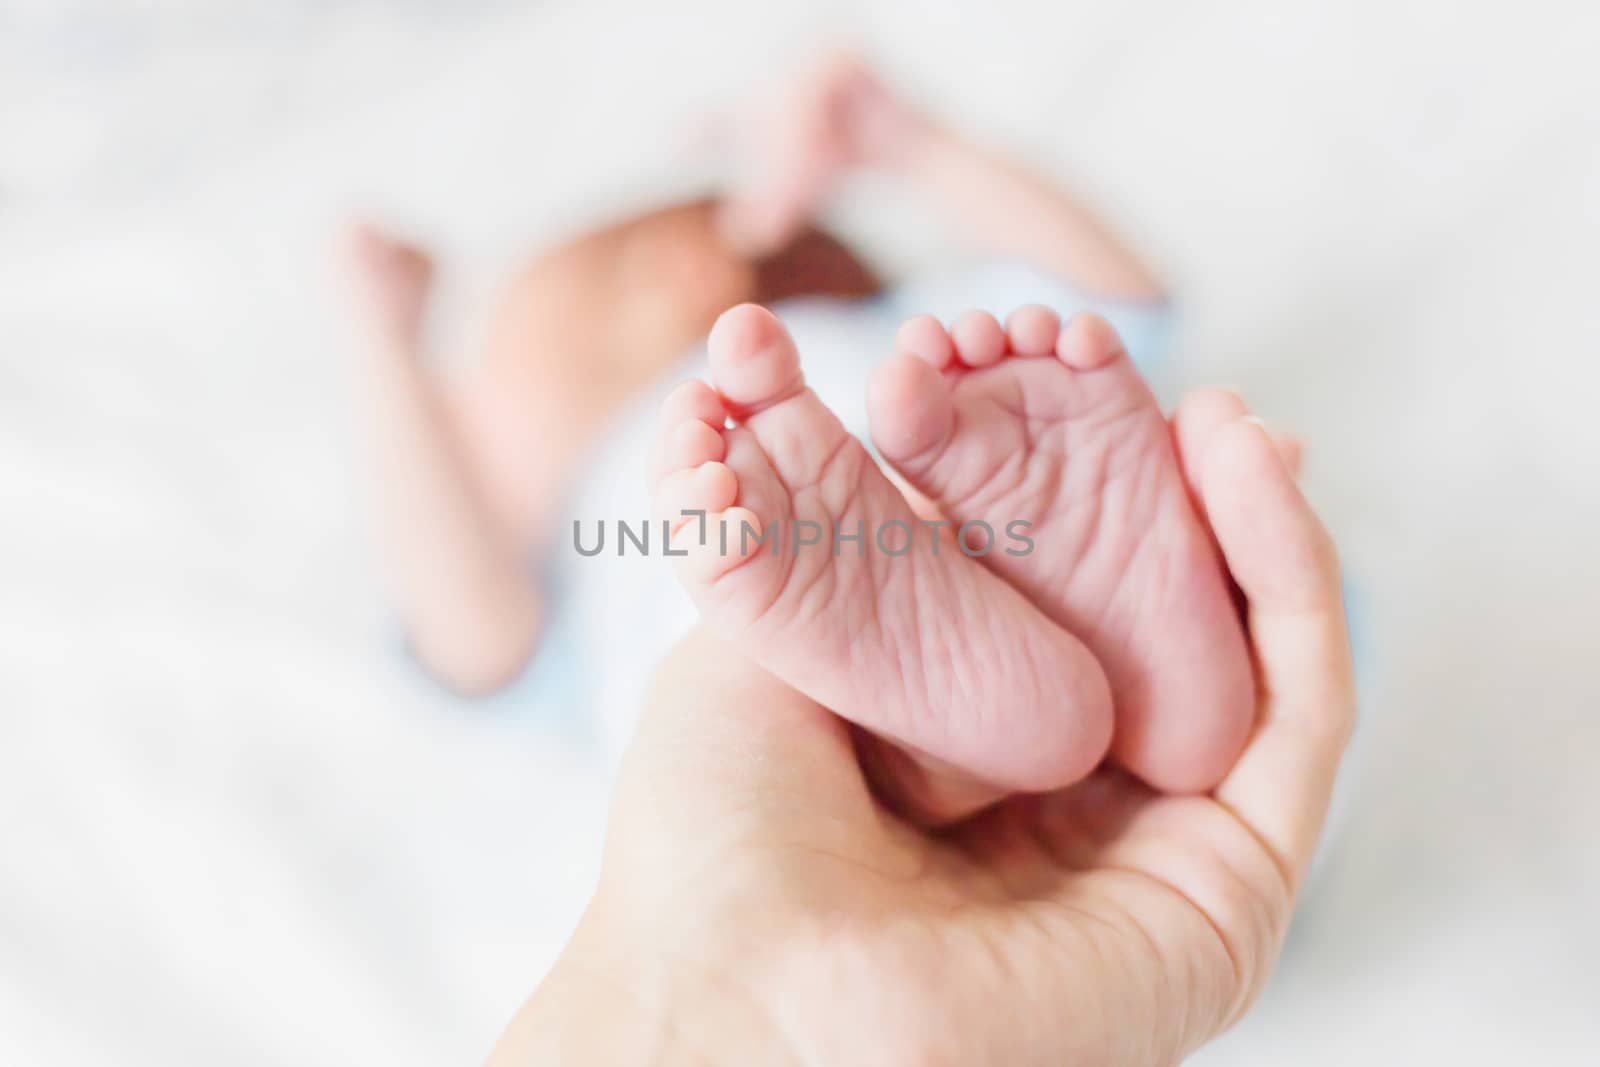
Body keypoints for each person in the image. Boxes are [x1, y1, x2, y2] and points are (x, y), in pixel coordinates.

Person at [338, 54, 1202, 770]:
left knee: (753, 680)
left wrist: (905, 140)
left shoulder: (860, 348)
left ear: (671, 277)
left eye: (480, 382)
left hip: (802, 808)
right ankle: (1130, 674)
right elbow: (1111, 302)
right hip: (790, 763)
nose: (459, 425)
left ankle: (997, 697)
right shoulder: (555, 583)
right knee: (759, 709)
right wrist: (388, 354)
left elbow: (1112, 306)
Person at [484, 389, 1355, 1065]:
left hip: (819, 554)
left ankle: (991, 704)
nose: (480, 396)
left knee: (821, 625)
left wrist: (385, 342)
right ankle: (1110, 647)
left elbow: (482, 645)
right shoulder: (957, 351)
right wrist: (912, 152)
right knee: (1143, 495)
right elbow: (1134, 297)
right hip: (928, 519)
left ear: (663, 272)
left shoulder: (571, 515)